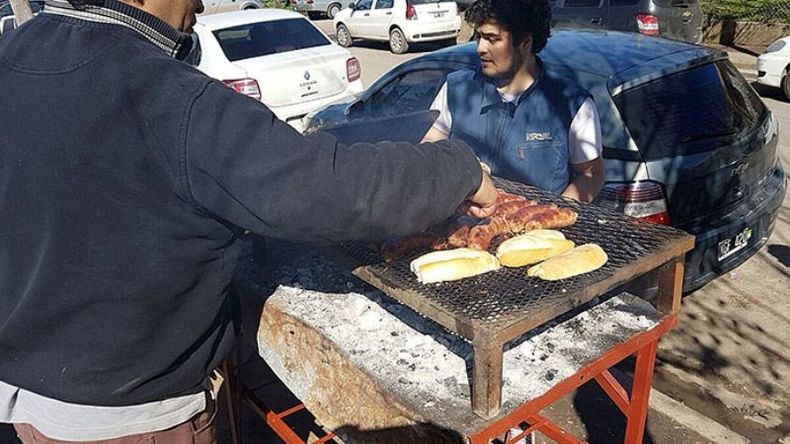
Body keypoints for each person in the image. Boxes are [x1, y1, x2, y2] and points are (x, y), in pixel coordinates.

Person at [0, 0, 498, 442]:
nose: (198, 5)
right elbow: (322, 189)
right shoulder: (169, 97)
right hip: (130, 418)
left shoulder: (14, 54)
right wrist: (457, 168)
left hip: (26, 395)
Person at [422, 0, 605, 202]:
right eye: (479, 37)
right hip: (464, 218)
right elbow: (430, 145)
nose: (480, 48)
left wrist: (555, 212)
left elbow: (591, 174)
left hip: (536, 219)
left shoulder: (571, 104)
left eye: (492, 39)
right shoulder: (456, 88)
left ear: (526, 42)